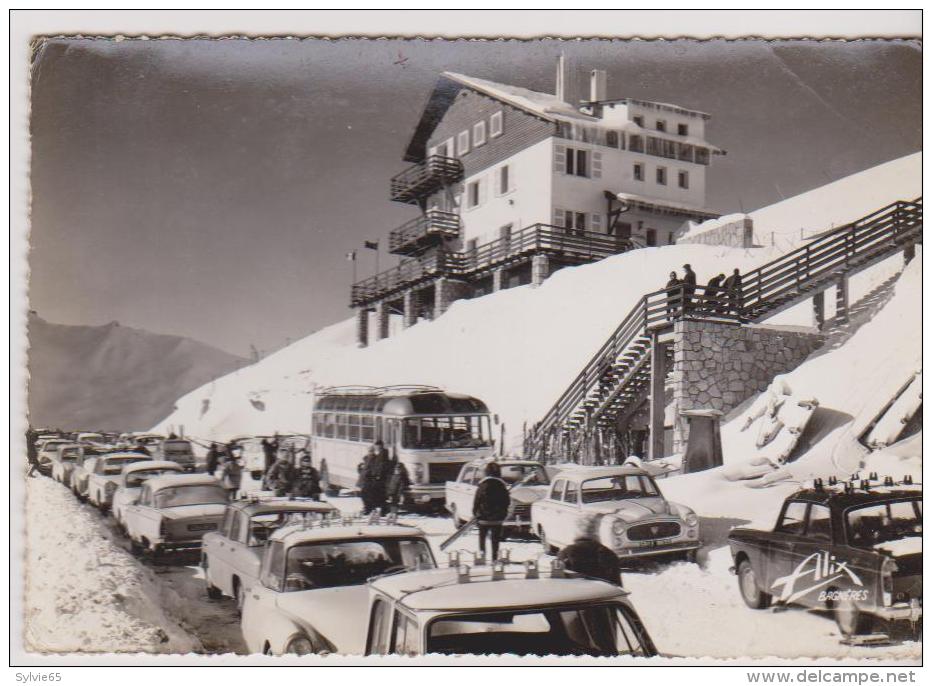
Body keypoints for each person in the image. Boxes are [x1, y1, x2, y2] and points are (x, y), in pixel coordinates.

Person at [557, 514, 622, 586]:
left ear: (576, 531)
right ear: (596, 531)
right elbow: (619, 588)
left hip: (576, 595)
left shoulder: (565, 553)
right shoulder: (608, 554)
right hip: (605, 595)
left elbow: (557, 584)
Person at [472, 462, 511, 560]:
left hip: (483, 518)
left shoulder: (482, 485)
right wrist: (504, 514)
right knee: (495, 540)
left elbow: (476, 501)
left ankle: (482, 557)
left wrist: (475, 514)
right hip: (497, 519)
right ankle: (494, 559)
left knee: (482, 539)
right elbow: (507, 502)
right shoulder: (502, 486)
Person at [360, 443, 389, 514]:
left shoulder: (375, 459)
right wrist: (360, 468)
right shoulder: (367, 458)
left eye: (371, 451)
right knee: (366, 495)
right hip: (367, 480)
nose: (370, 452)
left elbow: (374, 469)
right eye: (369, 451)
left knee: (371, 496)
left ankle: (371, 510)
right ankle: (370, 509)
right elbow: (364, 469)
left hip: (371, 480)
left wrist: (373, 475)